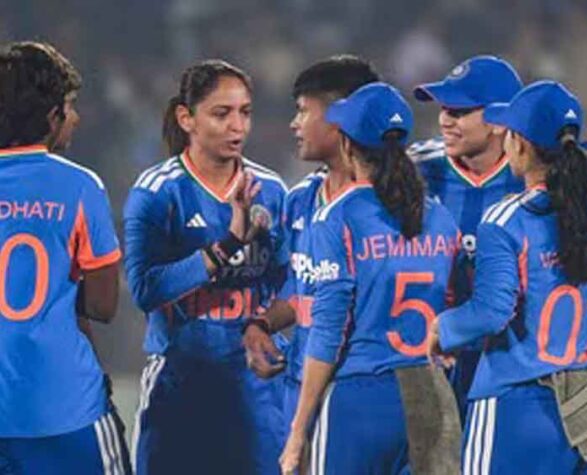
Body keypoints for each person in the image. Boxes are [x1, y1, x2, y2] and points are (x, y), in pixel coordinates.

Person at [430, 81, 587, 474]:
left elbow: (491, 311)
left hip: (514, 403)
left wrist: (440, 330)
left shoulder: (508, 217)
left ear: (520, 143)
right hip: (586, 406)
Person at [280, 82, 461, 474]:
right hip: (429, 395)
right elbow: (451, 303)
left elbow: (328, 330)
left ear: (346, 144)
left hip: (358, 399)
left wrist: (298, 429)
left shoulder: (338, 216)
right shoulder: (440, 217)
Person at [124, 59, 288, 475]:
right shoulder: (158, 192)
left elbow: (294, 284)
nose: (238, 126)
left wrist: (265, 323)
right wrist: (229, 243)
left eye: (245, 112)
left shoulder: (271, 190)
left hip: (255, 389)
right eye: (221, 113)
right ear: (187, 118)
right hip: (179, 385)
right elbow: (145, 289)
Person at [0, 41, 130, 474]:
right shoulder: (79, 186)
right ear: (51, 115)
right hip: (63, 407)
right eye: (70, 106)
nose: (76, 118)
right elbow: (104, 305)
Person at [242, 55, 379, 437]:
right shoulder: (301, 199)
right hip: (301, 382)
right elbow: (299, 288)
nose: (294, 123)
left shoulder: (391, 208)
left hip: (360, 387)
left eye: (304, 111)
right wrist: (261, 324)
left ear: (341, 119)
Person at [409, 56, 524, 418]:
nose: (444, 120)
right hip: (425, 357)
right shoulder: (415, 168)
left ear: (498, 121)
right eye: (443, 109)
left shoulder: (535, 176)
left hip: (510, 361)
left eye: (458, 112)